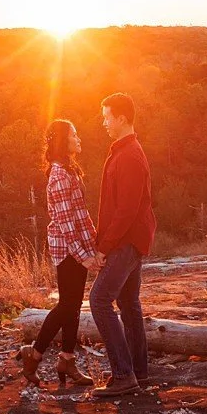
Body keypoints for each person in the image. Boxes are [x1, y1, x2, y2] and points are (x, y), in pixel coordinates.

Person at [15, 119, 98, 386]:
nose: (78, 137)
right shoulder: (59, 176)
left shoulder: (70, 171)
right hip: (67, 250)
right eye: (74, 134)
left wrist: (94, 245)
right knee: (66, 306)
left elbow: (81, 215)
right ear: (64, 141)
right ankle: (35, 355)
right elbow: (65, 223)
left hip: (79, 247)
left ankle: (66, 359)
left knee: (73, 308)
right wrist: (82, 254)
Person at [89, 92, 156, 397]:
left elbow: (126, 210)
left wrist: (104, 248)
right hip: (130, 240)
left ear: (122, 118)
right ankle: (139, 372)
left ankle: (124, 375)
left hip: (126, 242)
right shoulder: (124, 151)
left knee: (100, 300)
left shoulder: (129, 155)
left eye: (106, 117)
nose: (103, 122)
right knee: (129, 304)